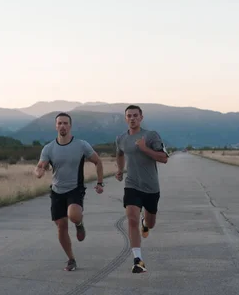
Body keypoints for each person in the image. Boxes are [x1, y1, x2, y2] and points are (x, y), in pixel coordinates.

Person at [34, 112, 105, 271]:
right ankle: (71, 259)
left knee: (73, 215)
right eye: (59, 123)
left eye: (65, 123)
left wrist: (100, 182)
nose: (62, 126)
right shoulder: (49, 148)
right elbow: (40, 166)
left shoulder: (81, 145)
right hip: (57, 191)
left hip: (75, 188)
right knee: (61, 226)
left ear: (70, 126)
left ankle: (79, 224)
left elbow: (97, 161)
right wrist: (39, 171)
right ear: (55, 126)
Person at [115, 105, 169, 273]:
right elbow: (119, 154)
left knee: (151, 222)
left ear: (141, 117)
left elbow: (164, 158)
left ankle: (146, 223)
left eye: (135, 115)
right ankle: (138, 260)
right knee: (131, 218)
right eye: (129, 116)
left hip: (151, 187)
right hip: (132, 185)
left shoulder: (151, 135)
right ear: (125, 118)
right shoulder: (121, 138)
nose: (132, 118)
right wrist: (119, 169)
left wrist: (145, 148)